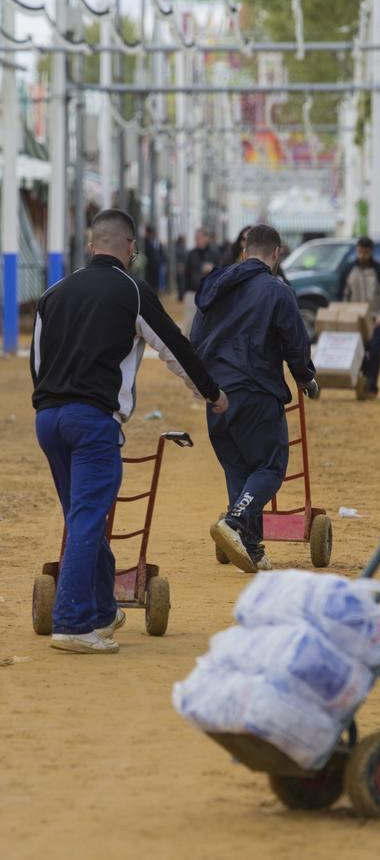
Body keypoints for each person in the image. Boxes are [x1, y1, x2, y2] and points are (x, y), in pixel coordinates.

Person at [30, 209, 228, 655]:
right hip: (92, 421)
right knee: (87, 517)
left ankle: (101, 610)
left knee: (83, 516)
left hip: (49, 420)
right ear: (131, 248)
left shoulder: (54, 294)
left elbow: (38, 365)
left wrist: (50, 402)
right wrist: (212, 393)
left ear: (89, 244)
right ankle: (74, 623)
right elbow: (173, 346)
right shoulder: (132, 292)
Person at [190, 224, 318, 574]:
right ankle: (235, 521)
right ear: (276, 254)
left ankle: (250, 544)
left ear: (245, 250)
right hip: (256, 392)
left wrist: (204, 384)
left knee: (238, 468)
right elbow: (295, 341)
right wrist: (306, 377)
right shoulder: (277, 292)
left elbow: (194, 336)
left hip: (216, 394)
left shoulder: (214, 285)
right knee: (270, 467)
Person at [337, 236, 380, 398]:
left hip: (375, 319)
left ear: (371, 252)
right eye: (360, 252)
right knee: (358, 352)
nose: (362, 255)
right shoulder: (348, 270)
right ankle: (362, 383)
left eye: (366, 252)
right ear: (357, 250)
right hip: (354, 319)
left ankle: (372, 387)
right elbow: (341, 295)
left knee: (374, 352)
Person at [182, 228, 220, 337]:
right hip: (192, 293)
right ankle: (187, 349)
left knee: (208, 323)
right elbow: (186, 274)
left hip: (209, 294)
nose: (197, 240)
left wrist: (212, 268)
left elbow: (221, 272)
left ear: (207, 238)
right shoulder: (191, 254)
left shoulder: (214, 254)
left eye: (200, 238)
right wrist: (183, 292)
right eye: (196, 238)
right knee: (189, 323)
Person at [144, 225, 167, 293]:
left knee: (156, 281)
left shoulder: (157, 242)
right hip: (150, 266)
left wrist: (161, 259)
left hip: (156, 265)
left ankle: (156, 290)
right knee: (151, 282)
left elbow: (162, 253)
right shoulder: (146, 242)